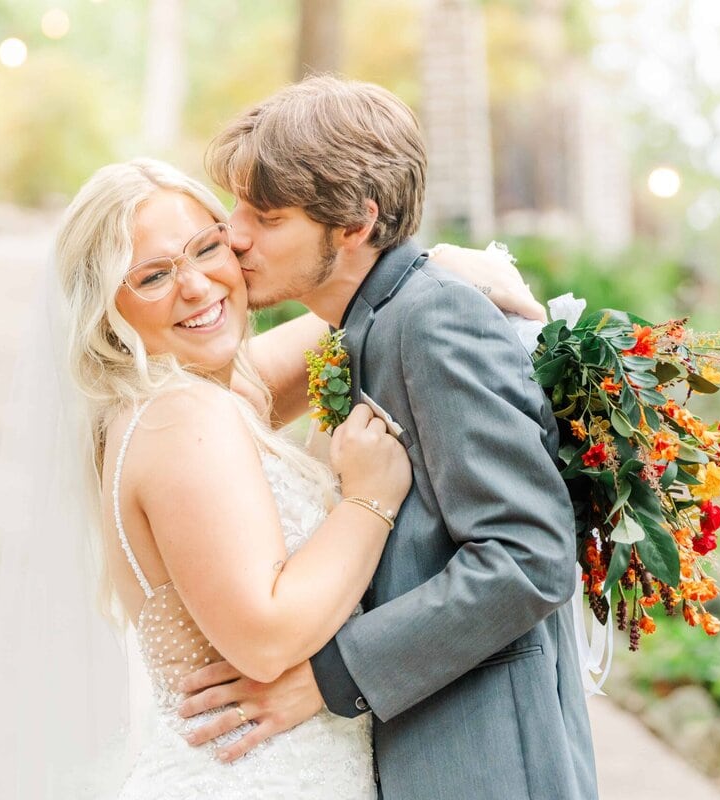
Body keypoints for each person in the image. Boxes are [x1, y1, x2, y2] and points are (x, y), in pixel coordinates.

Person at [0, 154, 552, 799]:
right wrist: (368, 499)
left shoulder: (189, 396)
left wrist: (433, 267)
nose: (195, 286)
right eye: (153, 276)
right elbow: (266, 637)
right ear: (107, 309)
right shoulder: (182, 418)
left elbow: (337, 319)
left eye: (206, 247)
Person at [176, 76, 599, 799]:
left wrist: (326, 678)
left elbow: (529, 555)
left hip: (487, 761)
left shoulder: (434, 320)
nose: (234, 234)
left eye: (267, 215)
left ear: (354, 223)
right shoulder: (371, 323)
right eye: (238, 206)